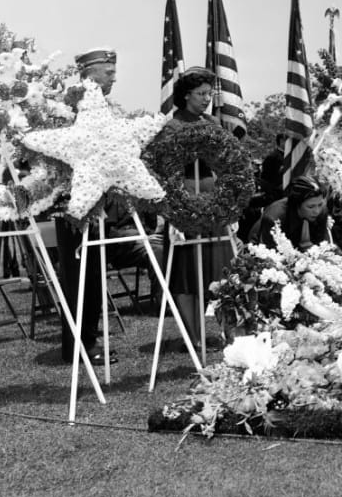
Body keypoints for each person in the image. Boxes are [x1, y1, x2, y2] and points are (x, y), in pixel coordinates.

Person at [55, 48, 161, 365]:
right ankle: (77, 347)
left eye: (114, 70)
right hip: (75, 207)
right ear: (89, 74)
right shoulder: (69, 107)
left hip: (102, 208)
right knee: (79, 280)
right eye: (108, 71)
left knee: (94, 280)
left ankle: (89, 340)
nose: (114, 75)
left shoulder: (107, 109)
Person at [164, 67, 235, 348]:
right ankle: (193, 337)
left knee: (222, 269)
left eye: (209, 93)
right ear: (185, 95)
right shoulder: (172, 126)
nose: (207, 99)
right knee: (187, 273)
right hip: (185, 197)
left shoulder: (213, 123)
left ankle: (230, 331)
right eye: (201, 93)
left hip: (212, 197)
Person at [251, 175, 332, 251]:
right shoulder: (274, 218)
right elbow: (269, 253)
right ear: (297, 204)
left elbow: (320, 245)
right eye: (311, 207)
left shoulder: (322, 211)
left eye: (320, 204)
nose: (317, 211)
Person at [259, 133, 286, 204]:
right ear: (281, 141)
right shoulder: (272, 157)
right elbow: (265, 178)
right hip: (275, 195)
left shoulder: (288, 156)